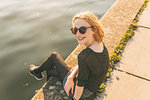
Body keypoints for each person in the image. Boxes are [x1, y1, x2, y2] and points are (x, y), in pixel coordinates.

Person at [29, 11, 109, 100]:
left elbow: (80, 84)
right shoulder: (99, 44)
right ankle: (39, 74)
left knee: (54, 57)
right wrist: (71, 77)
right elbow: (87, 64)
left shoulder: (84, 56)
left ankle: (36, 72)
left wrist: (74, 97)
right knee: (51, 68)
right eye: (75, 30)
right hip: (92, 87)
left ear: (94, 29)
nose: (78, 34)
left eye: (82, 29)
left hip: (82, 92)